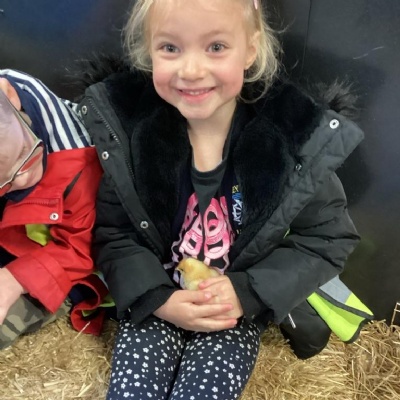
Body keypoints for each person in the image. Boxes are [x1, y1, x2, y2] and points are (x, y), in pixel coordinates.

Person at [76, 0, 365, 398]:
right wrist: (157, 298)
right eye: (170, 48)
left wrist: (248, 292)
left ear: (250, 49)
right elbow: (115, 233)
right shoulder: (131, 137)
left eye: (215, 47)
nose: (191, 70)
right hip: (155, 299)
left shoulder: (289, 143)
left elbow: (327, 238)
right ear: (148, 50)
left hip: (232, 312)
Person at [0, 70, 107, 349]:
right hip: (15, 232)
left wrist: (13, 280)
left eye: (25, 155)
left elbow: (79, 250)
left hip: (63, 265)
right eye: (5, 181)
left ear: (12, 98)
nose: (22, 178)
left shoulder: (78, 167)